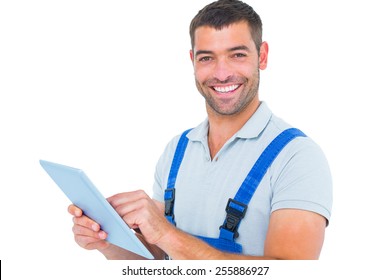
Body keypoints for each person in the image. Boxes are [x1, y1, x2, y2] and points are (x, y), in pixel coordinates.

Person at [69, 0, 332, 260]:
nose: (222, 73)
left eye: (237, 55)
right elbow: (161, 259)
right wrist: (106, 240)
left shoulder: (297, 157)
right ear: (192, 60)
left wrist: (165, 233)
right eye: (207, 58)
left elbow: (293, 273)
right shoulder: (177, 150)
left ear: (262, 56)